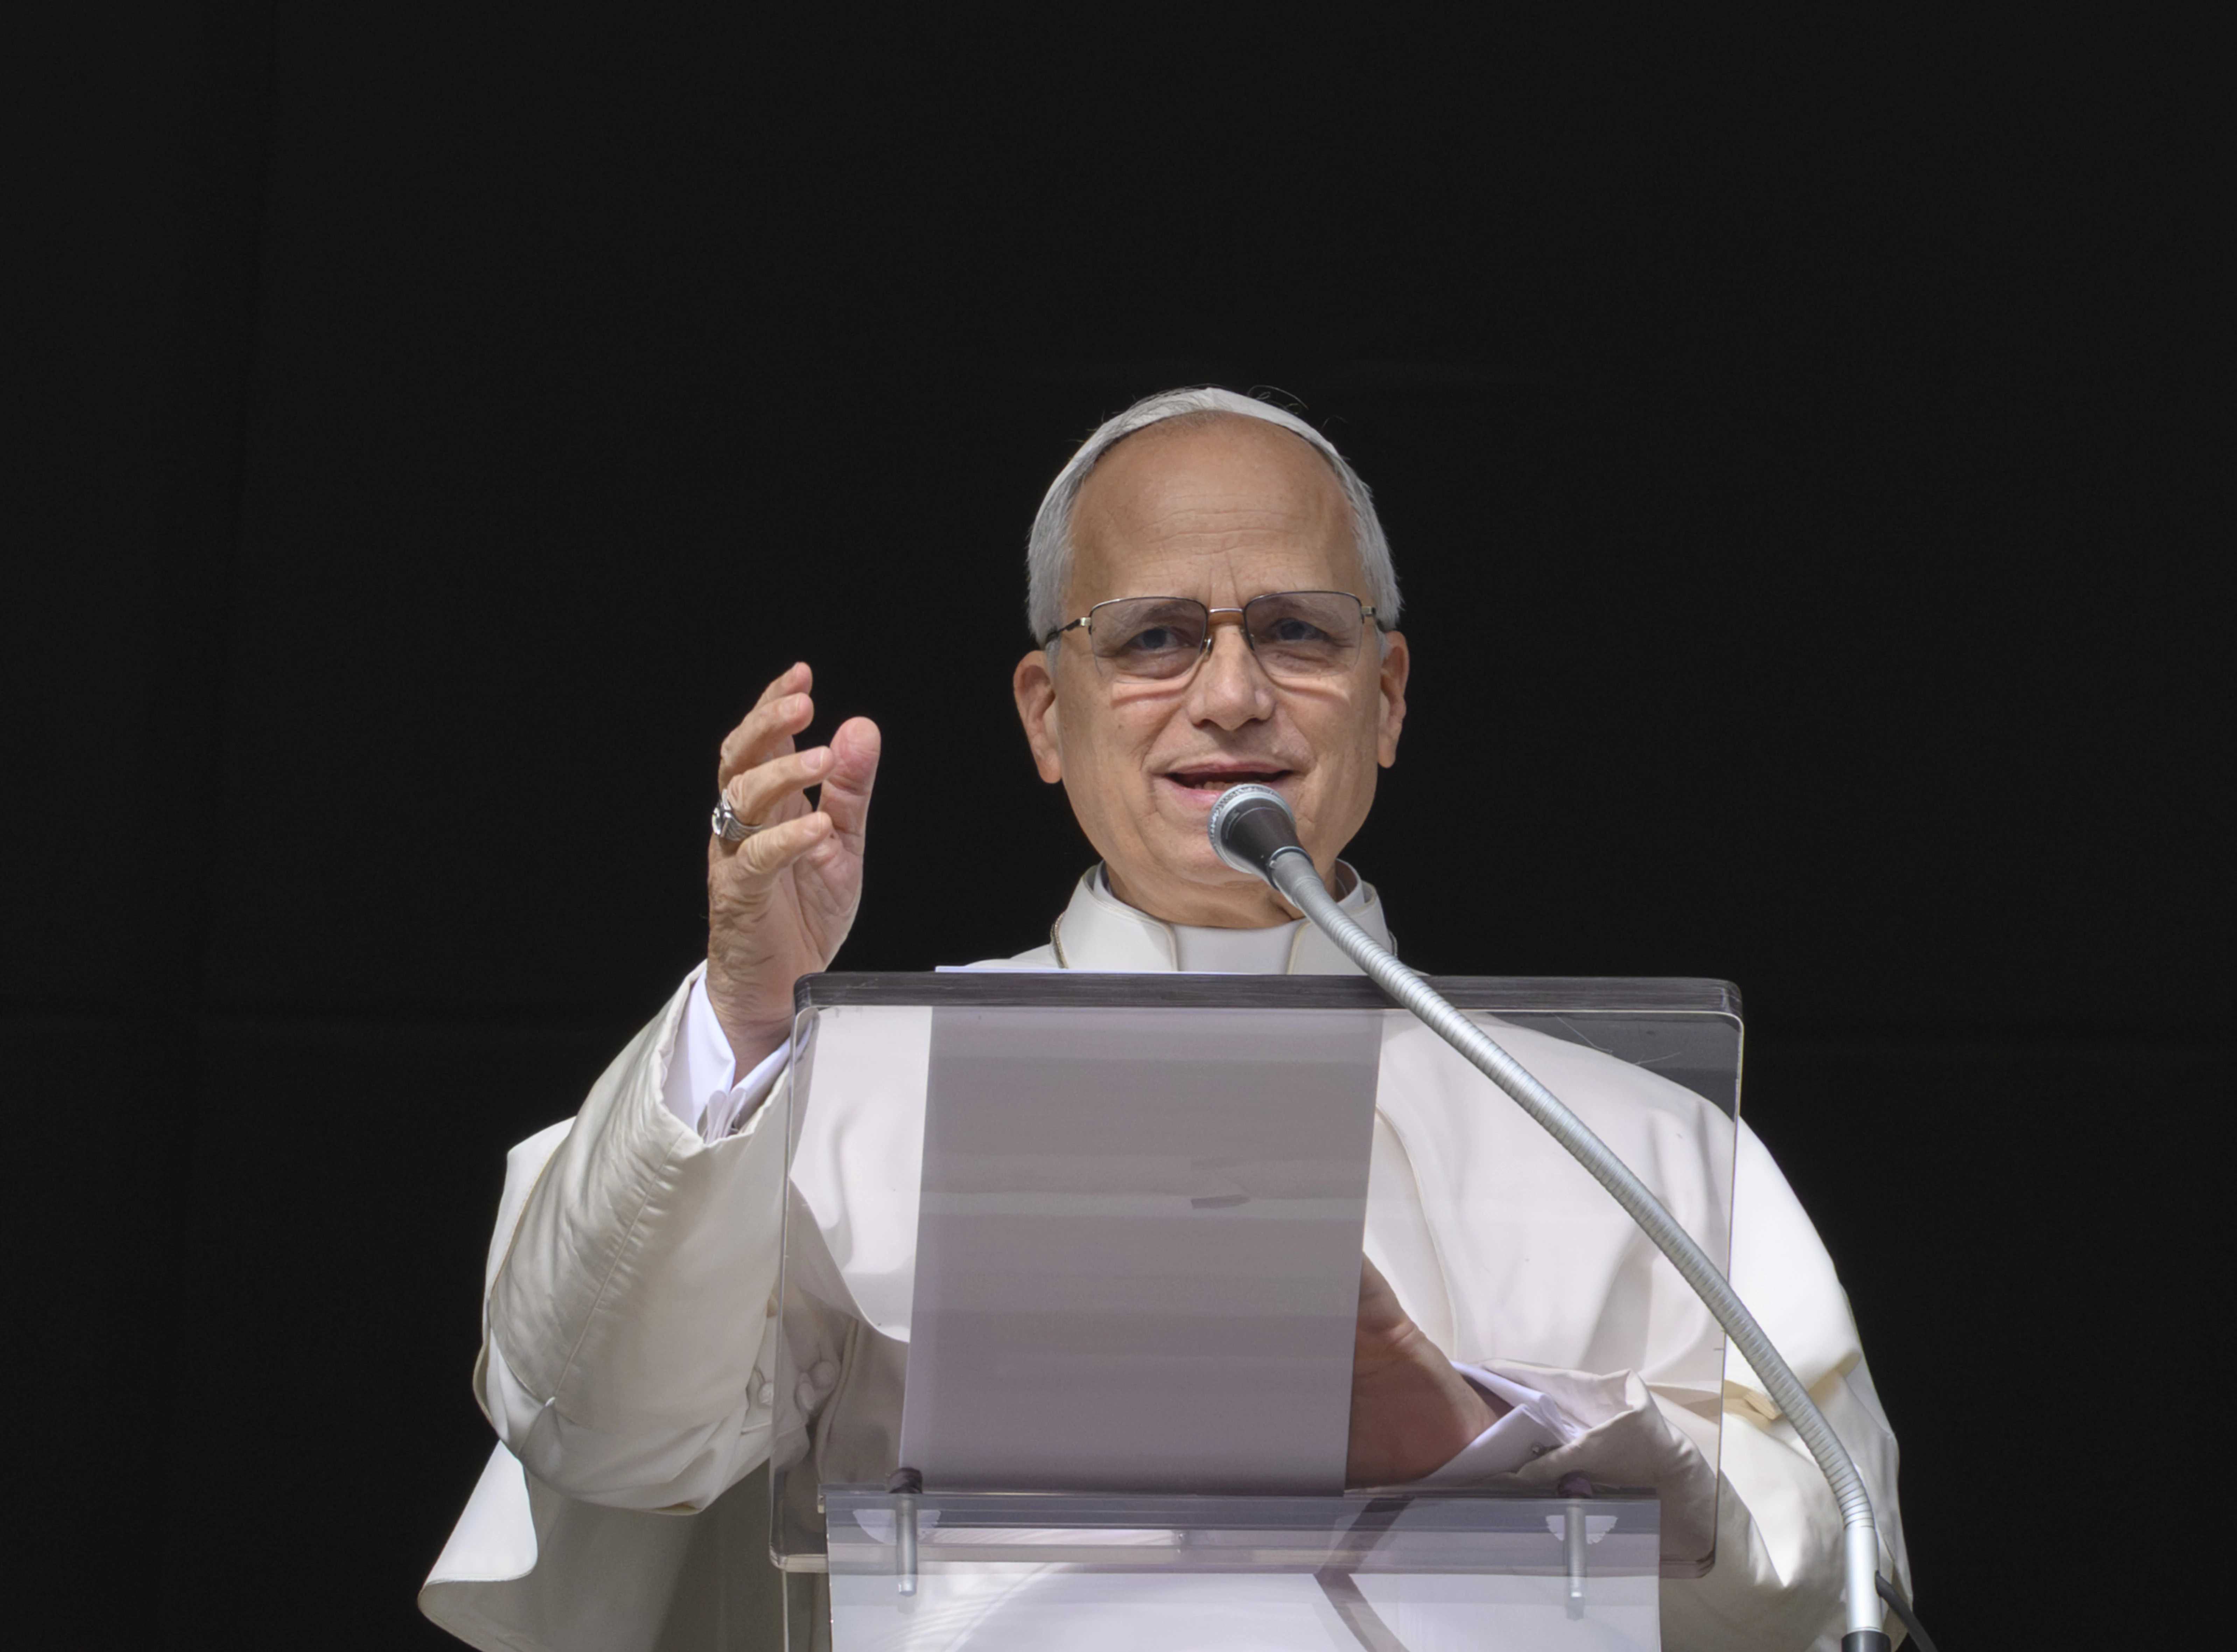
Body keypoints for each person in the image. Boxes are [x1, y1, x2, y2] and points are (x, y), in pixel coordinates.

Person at [419, 388, 1912, 1651]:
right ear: (1043, 711)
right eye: (1153, 639)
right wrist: (751, 1013)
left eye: (1297, 630)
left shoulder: (1637, 1141)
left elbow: (1826, 1574)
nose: (1232, 693)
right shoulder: (833, 1086)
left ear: (1388, 695)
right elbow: (604, 1426)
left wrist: (1475, 1438)